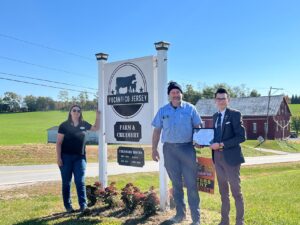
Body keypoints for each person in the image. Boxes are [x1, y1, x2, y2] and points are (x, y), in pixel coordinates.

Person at [152, 81, 201, 225]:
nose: (175, 95)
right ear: (169, 95)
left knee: (191, 184)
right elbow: (156, 131)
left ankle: (196, 218)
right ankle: (180, 214)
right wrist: (154, 149)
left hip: (187, 149)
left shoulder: (190, 109)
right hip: (169, 150)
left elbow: (198, 127)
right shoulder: (163, 111)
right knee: (176, 184)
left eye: (178, 92)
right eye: (173, 92)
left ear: (181, 94)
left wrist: (199, 139)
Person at [210, 88, 246, 225]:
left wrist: (222, 145)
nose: (221, 101)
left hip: (231, 158)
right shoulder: (215, 116)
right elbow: (215, 137)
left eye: (223, 98)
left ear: (228, 100)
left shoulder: (235, 115)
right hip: (217, 159)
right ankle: (224, 221)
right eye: (218, 99)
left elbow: (242, 137)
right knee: (223, 192)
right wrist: (203, 142)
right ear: (215, 101)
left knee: (236, 192)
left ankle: (239, 221)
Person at [56, 104, 100, 213]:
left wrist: (97, 116)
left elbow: (96, 128)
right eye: (74, 110)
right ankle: (68, 206)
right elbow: (58, 143)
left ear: (80, 113)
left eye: (78, 111)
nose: (76, 112)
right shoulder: (64, 125)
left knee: (80, 181)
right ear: (70, 112)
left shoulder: (83, 124)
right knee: (66, 182)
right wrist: (58, 158)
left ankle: (83, 206)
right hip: (65, 157)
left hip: (80, 158)